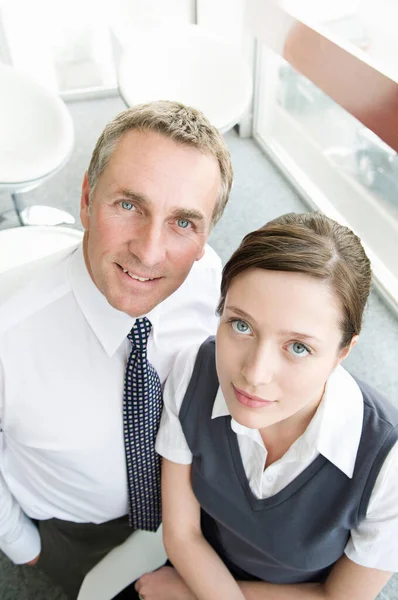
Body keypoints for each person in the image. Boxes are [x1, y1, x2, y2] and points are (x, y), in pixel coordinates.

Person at [0, 100, 233, 598]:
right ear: (86, 199)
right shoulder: (8, 333)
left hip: (190, 497)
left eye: (183, 223)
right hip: (72, 531)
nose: (149, 252)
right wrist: (26, 547)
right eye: (129, 205)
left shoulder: (209, 279)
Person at [136, 212, 397, 600]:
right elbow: (183, 533)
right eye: (241, 325)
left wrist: (192, 595)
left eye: (298, 347)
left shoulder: (387, 460)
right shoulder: (195, 371)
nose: (254, 374)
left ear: (343, 351)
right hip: (199, 567)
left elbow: (339, 597)